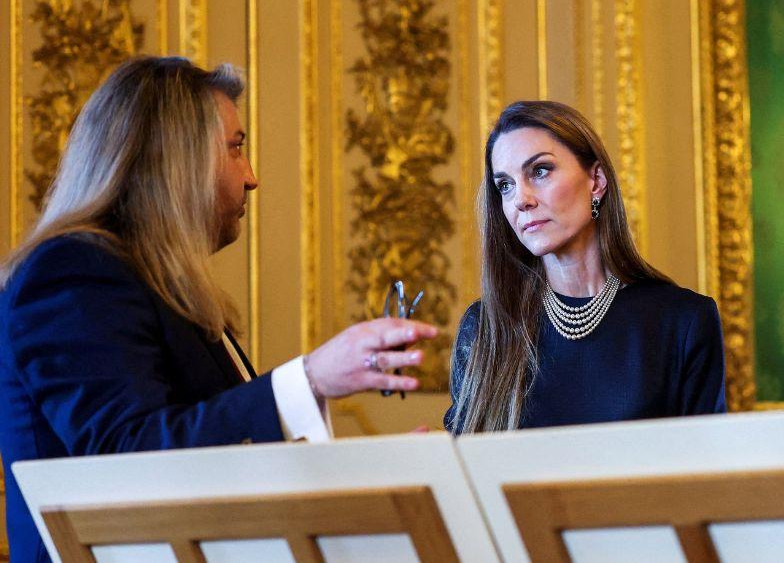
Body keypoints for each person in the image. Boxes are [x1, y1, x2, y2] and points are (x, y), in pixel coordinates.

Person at [0, 56, 437, 562]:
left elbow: (214, 461)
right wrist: (311, 377)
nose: (251, 178)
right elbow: (129, 458)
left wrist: (364, 478)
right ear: (175, 159)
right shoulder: (71, 269)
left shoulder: (155, 283)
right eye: (235, 149)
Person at [444, 100, 726, 433]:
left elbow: (705, 475)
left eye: (540, 171)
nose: (521, 199)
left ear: (596, 181)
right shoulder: (484, 328)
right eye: (505, 185)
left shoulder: (683, 322)